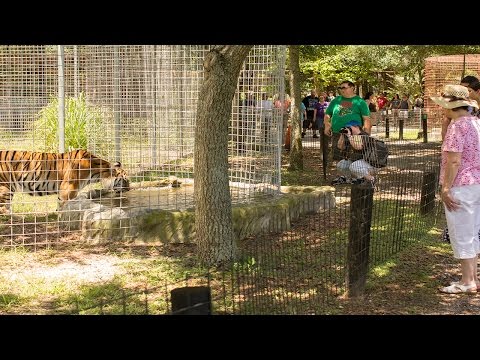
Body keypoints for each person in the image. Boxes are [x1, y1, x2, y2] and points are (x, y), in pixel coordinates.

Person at [430, 84, 480, 294]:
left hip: (461, 185)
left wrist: (446, 188)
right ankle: (472, 278)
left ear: (451, 105)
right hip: (476, 184)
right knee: (472, 232)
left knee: (461, 233)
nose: (441, 109)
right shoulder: (476, 122)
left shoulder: (457, 126)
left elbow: (453, 161)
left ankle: (467, 282)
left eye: (443, 105)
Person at [324, 81, 372, 174]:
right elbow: (327, 115)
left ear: (352, 88)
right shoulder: (336, 100)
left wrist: (366, 135)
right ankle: (344, 176)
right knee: (338, 155)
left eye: (344, 87)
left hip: (355, 135)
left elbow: (366, 119)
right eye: (340, 88)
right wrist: (327, 125)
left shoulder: (360, 102)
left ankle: (359, 175)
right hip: (337, 132)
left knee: (355, 155)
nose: (342, 90)